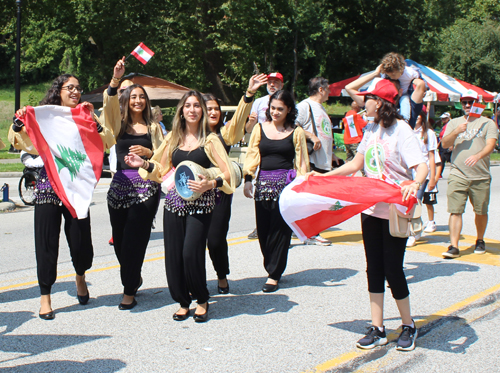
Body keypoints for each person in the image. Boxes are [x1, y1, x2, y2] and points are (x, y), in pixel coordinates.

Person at [310, 77, 427, 351]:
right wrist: (324, 177)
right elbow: (356, 163)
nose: (364, 102)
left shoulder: (402, 130)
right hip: (371, 209)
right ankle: (378, 328)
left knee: (393, 269)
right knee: (373, 268)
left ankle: (408, 324)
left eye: (369, 98)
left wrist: (414, 183)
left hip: (396, 211)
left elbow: (421, 166)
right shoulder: (371, 128)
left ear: (381, 102)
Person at [9, 74, 115, 319]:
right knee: (45, 243)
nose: (76, 92)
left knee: (80, 242)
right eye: (70, 88)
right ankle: (45, 296)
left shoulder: (86, 115)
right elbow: (21, 141)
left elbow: (107, 141)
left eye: (78, 88)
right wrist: (19, 121)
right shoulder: (46, 117)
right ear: (59, 91)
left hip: (76, 189)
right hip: (48, 187)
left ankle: (80, 276)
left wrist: (94, 122)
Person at [127, 90, 234, 322]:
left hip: (201, 204)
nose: (192, 110)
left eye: (197, 106)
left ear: (202, 111)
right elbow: (160, 167)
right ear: (181, 111)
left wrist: (210, 184)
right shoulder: (173, 138)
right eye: (188, 106)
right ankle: (183, 301)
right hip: (174, 203)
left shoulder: (211, 140)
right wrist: (143, 162)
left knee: (190, 252)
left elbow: (228, 173)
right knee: (174, 255)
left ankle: (202, 299)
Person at [100, 58, 164, 310]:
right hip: (118, 188)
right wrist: (116, 79)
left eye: (142, 97)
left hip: (146, 188)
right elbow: (108, 108)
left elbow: (163, 158)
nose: (138, 100)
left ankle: (128, 291)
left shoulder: (154, 127)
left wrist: (148, 154)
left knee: (135, 240)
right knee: (120, 240)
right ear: (127, 100)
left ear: (147, 101)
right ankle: (133, 275)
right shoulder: (118, 125)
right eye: (133, 96)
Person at [203, 73, 268, 294]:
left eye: (215, 109)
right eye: (208, 108)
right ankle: (196, 280)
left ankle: (221, 275)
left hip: (220, 192)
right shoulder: (189, 135)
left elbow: (240, 118)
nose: (212, 112)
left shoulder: (225, 134)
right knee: (192, 242)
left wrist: (249, 94)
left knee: (215, 239)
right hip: (194, 194)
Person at [243, 90, 309, 293]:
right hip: (263, 186)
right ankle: (270, 265)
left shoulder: (296, 131)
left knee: (281, 231)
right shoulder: (260, 128)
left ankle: (274, 273)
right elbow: (252, 154)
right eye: (272, 108)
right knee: (263, 231)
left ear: (289, 109)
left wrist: (302, 185)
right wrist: (247, 179)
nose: (275, 112)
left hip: (285, 188)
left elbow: (302, 161)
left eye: (280, 109)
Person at [440, 90, 498, 258]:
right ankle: (454, 246)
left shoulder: (487, 123)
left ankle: (480, 240)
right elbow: (444, 143)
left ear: (477, 103)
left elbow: (491, 145)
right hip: (458, 173)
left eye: (470, 102)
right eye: (464, 102)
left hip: (480, 175)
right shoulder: (455, 123)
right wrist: (457, 131)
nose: (467, 105)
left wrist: (478, 155)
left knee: (481, 211)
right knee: (455, 210)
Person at [295, 76, 340, 246]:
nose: (329, 92)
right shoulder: (305, 106)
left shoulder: (320, 108)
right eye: (327, 89)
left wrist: (332, 154)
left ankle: (306, 229)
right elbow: (293, 125)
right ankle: (311, 232)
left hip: (324, 160)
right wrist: (311, 136)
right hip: (311, 159)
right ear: (320, 90)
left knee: (319, 198)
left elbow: (325, 134)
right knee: (313, 198)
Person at [246, 72, 285, 240]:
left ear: (281, 85)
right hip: (261, 146)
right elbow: (247, 129)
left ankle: (282, 229)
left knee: (281, 188)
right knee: (260, 187)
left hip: (280, 147)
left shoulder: (287, 101)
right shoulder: (259, 102)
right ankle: (260, 225)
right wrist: (252, 121)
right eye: (269, 82)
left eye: (276, 82)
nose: (272, 85)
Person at [406, 107, 438, 247]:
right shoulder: (407, 131)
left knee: (416, 200)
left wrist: (433, 178)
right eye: (415, 115)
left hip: (423, 174)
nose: (417, 117)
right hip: (408, 173)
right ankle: (416, 227)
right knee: (409, 201)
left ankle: (414, 232)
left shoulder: (429, 133)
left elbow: (431, 156)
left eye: (419, 115)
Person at [379, 52, 425, 128]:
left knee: (405, 102)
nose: (392, 77)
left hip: (404, 93)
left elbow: (420, 79)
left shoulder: (410, 73)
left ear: (401, 69)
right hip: (392, 95)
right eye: (389, 75)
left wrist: (423, 88)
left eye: (393, 75)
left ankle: (405, 120)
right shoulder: (385, 75)